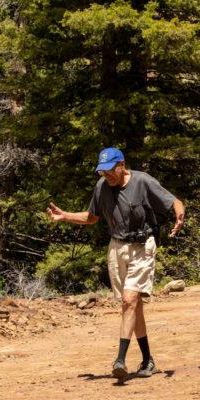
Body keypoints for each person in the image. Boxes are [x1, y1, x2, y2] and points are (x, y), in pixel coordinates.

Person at [46, 147, 184, 382]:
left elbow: (175, 201)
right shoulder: (101, 187)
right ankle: (147, 359)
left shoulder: (142, 181)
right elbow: (92, 217)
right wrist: (65, 216)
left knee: (129, 300)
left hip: (142, 246)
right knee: (131, 305)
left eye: (110, 170)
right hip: (117, 247)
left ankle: (120, 360)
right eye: (102, 172)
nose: (106, 175)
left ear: (122, 165)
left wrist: (179, 215)